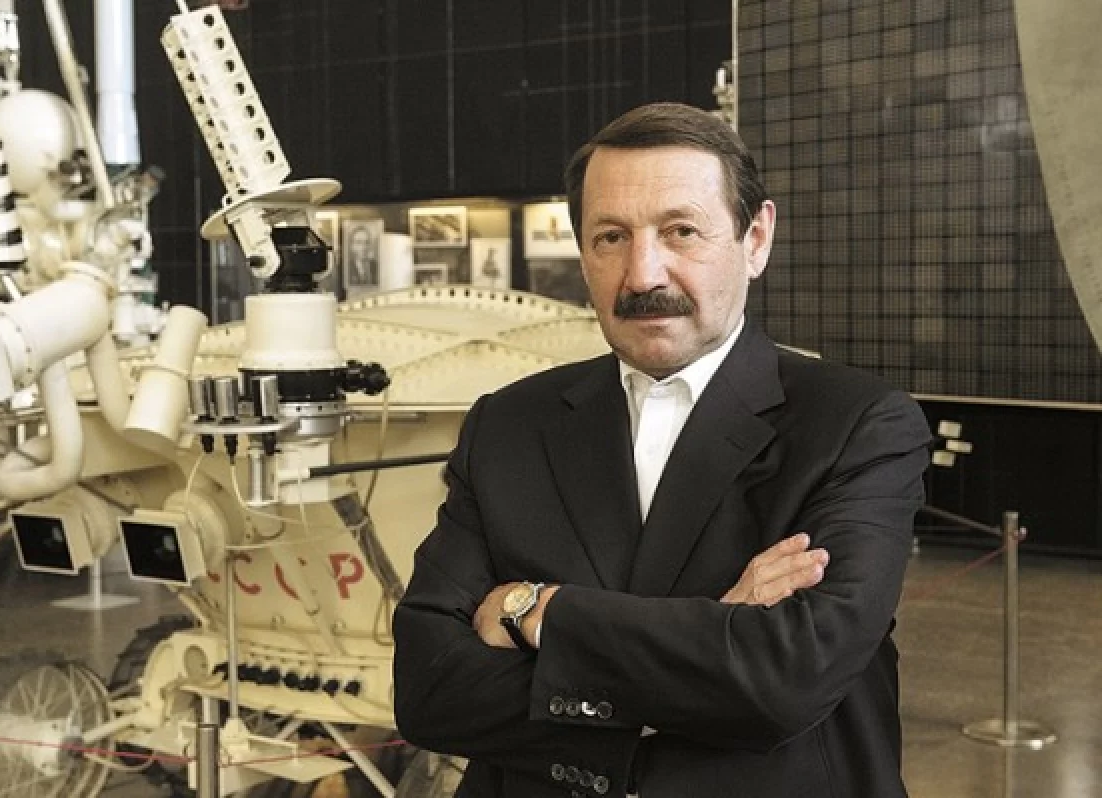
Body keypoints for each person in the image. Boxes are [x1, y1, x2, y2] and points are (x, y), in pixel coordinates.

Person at [393, 102, 931, 798]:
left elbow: (785, 680)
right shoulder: (509, 424)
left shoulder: (857, 425)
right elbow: (430, 688)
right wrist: (706, 654)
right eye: (611, 237)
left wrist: (539, 610)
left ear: (755, 239)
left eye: (681, 231)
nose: (643, 275)